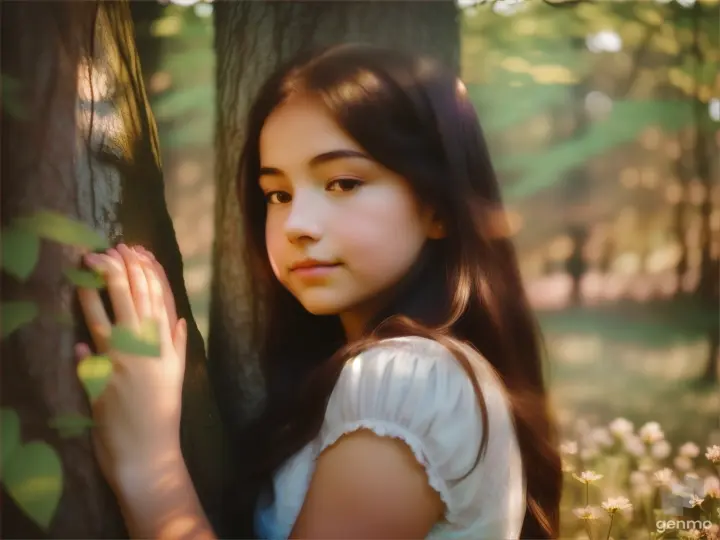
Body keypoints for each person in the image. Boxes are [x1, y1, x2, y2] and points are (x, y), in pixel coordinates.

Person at [76, 43, 562, 540]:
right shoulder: (376, 376)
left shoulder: (410, 380)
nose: (297, 225)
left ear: (437, 207)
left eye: (343, 183)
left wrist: (146, 462)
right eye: (278, 194)